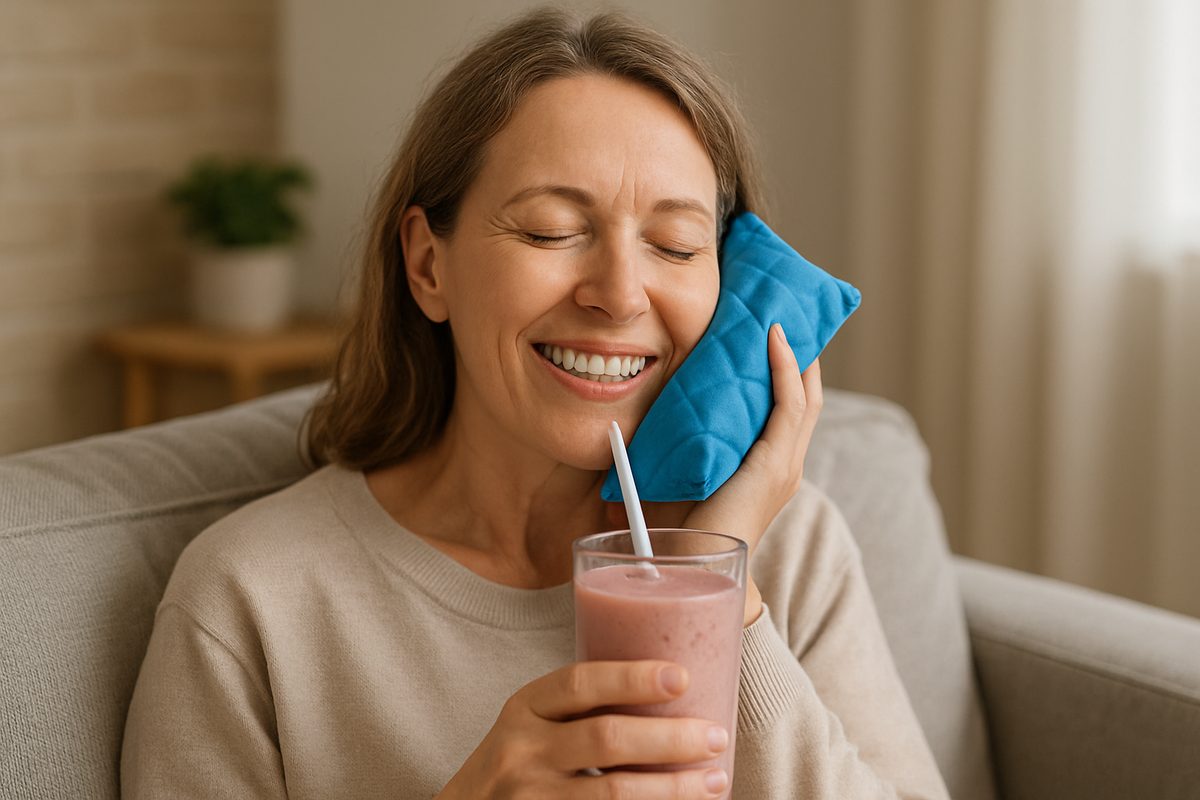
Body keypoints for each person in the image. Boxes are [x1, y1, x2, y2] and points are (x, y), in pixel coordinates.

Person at [121, 8, 949, 799]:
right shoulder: (253, 598)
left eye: (676, 245)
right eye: (552, 231)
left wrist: (717, 593)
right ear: (427, 266)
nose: (621, 294)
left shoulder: (784, 546)